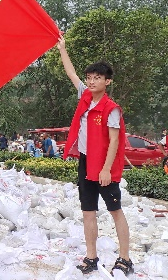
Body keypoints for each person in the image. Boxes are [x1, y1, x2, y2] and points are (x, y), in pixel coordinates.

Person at [57, 36, 133, 276]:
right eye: (89, 77)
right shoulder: (85, 97)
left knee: (115, 211)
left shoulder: (111, 109)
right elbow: (71, 73)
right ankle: (91, 257)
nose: (91, 81)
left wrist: (106, 169)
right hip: (85, 162)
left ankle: (125, 258)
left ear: (107, 81)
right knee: (88, 211)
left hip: (104, 166)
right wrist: (62, 48)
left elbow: (114, 141)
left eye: (97, 78)